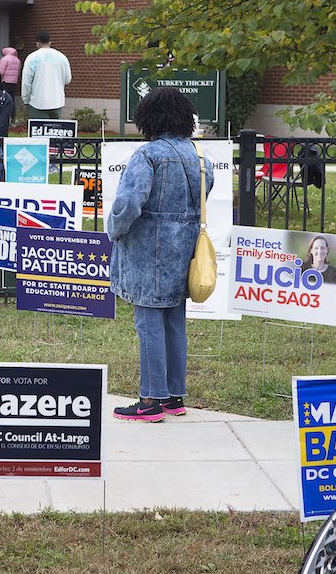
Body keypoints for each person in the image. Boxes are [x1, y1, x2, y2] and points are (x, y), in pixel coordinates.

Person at [108, 87, 213, 422]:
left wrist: (114, 229)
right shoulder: (199, 156)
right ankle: (173, 396)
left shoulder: (148, 155)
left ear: (148, 118)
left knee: (148, 323)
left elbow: (128, 204)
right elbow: (204, 191)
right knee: (174, 323)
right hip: (184, 250)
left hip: (147, 252)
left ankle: (150, 400)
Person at [21, 32, 71, 119]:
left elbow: (26, 81)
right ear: (50, 42)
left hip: (37, 102)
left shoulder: (32, 58)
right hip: (57, 101)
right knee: (54, 130)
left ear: (37, 43)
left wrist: (26, 99)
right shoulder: (62, 57)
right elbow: (67, 79)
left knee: (38, 130)